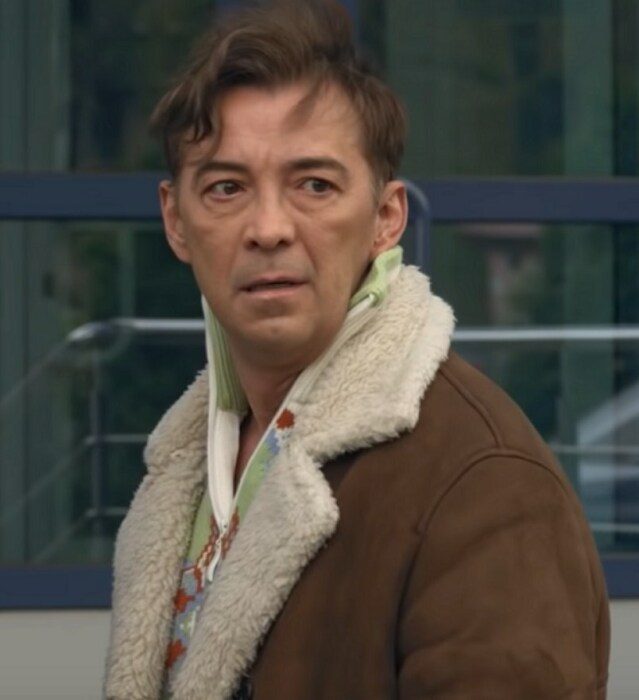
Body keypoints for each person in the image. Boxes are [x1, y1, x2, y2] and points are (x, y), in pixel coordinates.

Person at [104, 1, 610, 698]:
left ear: (385, 217)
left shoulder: (484, 481)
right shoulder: (189, 465)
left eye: (315, 185)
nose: (269, 227)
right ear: (176, 220)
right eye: (226, 188)